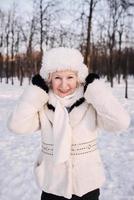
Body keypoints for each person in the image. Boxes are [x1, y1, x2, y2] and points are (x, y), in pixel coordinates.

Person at [8, 47, 130, 200]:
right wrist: (34, 93)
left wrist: (97, 90)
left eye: (70, 77)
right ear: (49, 79)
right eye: (58, 77)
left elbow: (121, 122)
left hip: (86, 185)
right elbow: (16, 125)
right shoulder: (42, 103)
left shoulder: (90, 102)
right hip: (52, 185)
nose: (64, 85)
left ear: (78, 77)